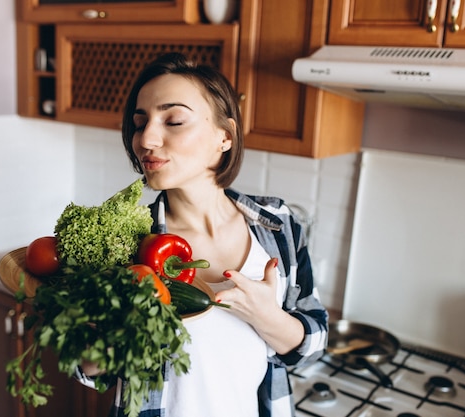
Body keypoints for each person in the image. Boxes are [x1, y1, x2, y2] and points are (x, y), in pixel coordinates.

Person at [77, 52, 329, 417]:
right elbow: (86, 369)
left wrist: (266, 315)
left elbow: (313, 345)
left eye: (174, 120)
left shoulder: (276, 223)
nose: (146, 138)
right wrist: (115, 337)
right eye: (139, 122)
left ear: (224, 137)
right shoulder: (125, 242)